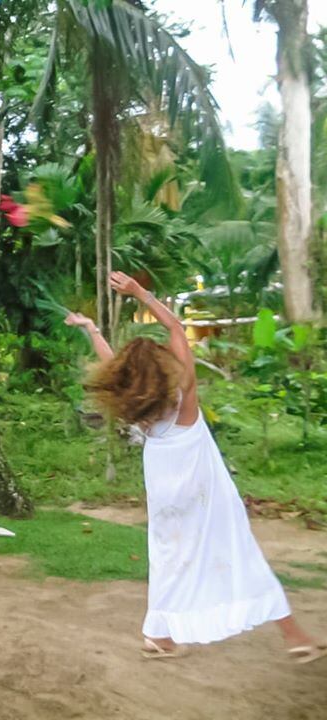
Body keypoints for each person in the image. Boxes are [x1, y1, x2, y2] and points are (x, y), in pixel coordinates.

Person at [67, 271, 326, 663]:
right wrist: (140, 294)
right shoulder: (184, 401)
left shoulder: (140, 411)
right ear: (164, 369)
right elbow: (174, 325)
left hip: (165, 497)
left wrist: (92, 330)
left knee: (169, 558)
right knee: (240, 553)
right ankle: (295, 637)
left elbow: (114, 368)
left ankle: (159, 637)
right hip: (204, 493)